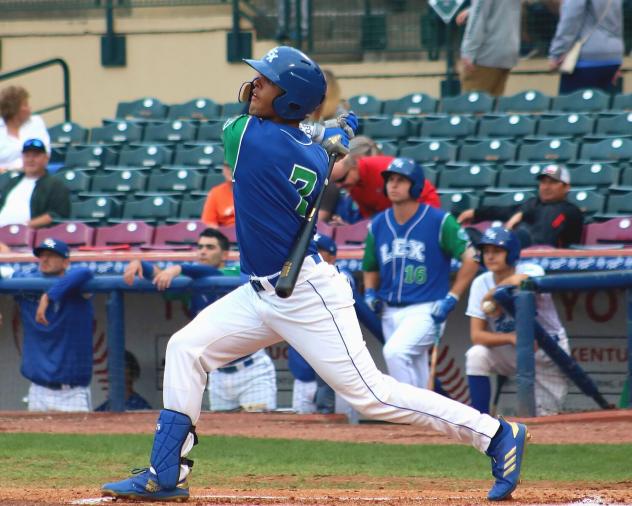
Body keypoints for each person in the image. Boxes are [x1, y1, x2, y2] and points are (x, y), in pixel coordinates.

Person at [102, 45, 529, 503]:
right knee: (187, 348)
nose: (256, 84)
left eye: (267, 80)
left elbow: (245, 122)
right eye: (259, 78)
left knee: (371, 395)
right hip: (262, 290)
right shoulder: (309, 153)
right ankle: (167, 472)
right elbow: (314, 150)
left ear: (289, 101)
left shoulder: (252, 137)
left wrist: (328, 133)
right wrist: (331, 133)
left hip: (305, 290)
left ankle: (495, 433)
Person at [124, 228, 276, 413]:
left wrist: (179, 268)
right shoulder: (194, 281)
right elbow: (161, 278)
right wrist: (142, 265)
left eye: (210, 247)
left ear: (225, 254)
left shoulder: (236, 272)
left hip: (252, 370)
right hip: (218, 372)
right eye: (200, 247)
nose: (203, 251)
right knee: (225, 433)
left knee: (257, 426)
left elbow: (216, 276)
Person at [362, 157, 480, 390]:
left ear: (415, 185)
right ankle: (426, 419)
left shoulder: (440, 220)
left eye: (401, 180)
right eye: (390, 180)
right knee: (413, 370)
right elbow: (370, 266)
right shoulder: (378, 224)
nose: (393, 185)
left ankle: (409, 412)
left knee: (395, 352)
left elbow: (471, 258)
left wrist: (453, 296)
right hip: (388, 309)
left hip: (426, 309)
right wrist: (369, 292)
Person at [465, 226, 570, 416]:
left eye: (497, 251)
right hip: (512, 348)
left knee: (546, 416)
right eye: (486, 251)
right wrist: (511, 338)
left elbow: (522, 279)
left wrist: (492, 295)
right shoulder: (480, 282)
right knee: (476, 355)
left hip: (547, 350)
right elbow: (477, 335)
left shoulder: (531, 269)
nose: (490, 256)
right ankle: (479, 420)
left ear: (511, 252)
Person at [0, 238, 94, 411]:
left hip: (73, 392)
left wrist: (50, 295)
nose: (44, 259)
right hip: (38, 390)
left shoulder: (78, 285)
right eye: (42, 255)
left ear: (65, 262)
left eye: (51, 255)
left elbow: (85, 272)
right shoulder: (26, 282)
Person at [457, 164, 584, 248]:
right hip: (510, 251)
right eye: (543, 182)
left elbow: (545, 236)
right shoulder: (533, 203)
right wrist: (475, 213)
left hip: (543, 256)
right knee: (467, 233)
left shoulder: (570, 211)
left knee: (519, 235)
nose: (546, 187)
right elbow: (505, 211)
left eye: (553, 182)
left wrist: (523, 214)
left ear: (566, 187)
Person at [329, 142, 441, 220]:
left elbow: (422, 190)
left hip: (421, 210)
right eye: (335, 182)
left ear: (354, 167)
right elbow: (369, 215)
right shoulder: (353, 185)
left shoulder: (381, 167)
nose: (339, 186)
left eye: (342, 179)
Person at [548, 0, 623, 94]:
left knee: (572, 104)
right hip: (613, 58)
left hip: (584, 58)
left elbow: (570, 20)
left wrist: (556, 53)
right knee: (608, 105)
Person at [0, 138, 71, 229]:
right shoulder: (12, 183)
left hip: (29, 235)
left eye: (35, 156)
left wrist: (26, 226)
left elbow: (57, 215)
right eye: (27, 156)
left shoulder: (55, 185)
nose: (30, 160)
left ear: (46, 158)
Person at [459, 0, 522, 96]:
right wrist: (472, 10)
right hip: (507, 51)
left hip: (486, 54)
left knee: (472, 106)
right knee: (494, 106)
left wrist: (468, 51)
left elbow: (477, 20)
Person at [0, 85, 50, 172]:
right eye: (25, 105)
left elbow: (45, 153)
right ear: (14, 109)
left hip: (34, 174)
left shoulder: (36, 123)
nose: (29, 108)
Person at [201, 163, 235, 228]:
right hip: (225, 235)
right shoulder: (216, 193)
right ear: (223, 170)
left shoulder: (256, 190)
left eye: (235, 166)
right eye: (227, 167)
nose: (231, 170)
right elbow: (209, 222)